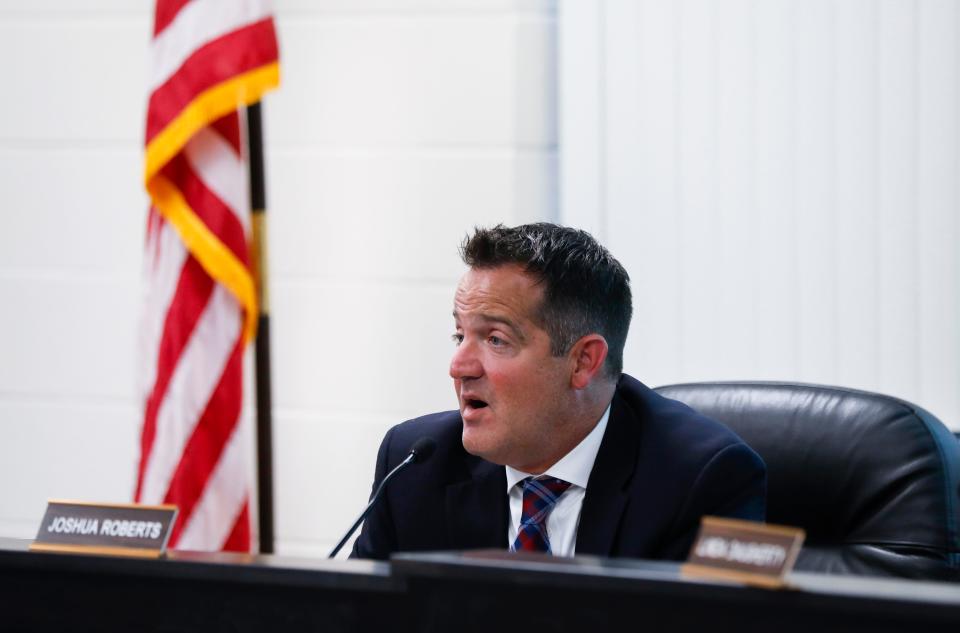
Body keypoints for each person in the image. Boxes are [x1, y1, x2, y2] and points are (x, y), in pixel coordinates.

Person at [352, 223, 765, 560]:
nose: (458, 366)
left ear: (583, 361)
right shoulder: (415, 465)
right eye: (459, 335)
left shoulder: (704, 479)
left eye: (495, 339)